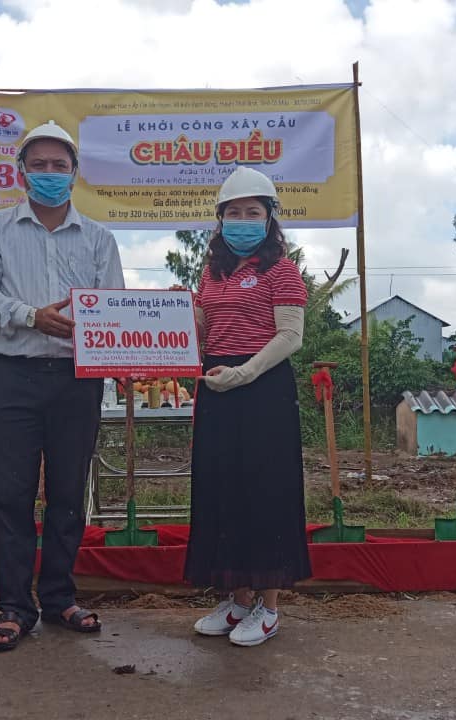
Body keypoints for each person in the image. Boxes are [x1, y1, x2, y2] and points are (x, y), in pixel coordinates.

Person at [0, 120, 125, 652]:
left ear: (75, 173)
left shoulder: (99, 238)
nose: (49, 173)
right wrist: (31, 316)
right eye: (39, 165)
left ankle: (59, 598)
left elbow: (115, 307)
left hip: (78, 381)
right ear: (21, 173)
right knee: (11, 495)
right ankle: (14, 607)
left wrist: (140, 342)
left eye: (59, 165)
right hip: (15, 376)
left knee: (68, 495)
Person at [183, 166, 312, 647]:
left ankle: (269, 608)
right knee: (222, 490)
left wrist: (246, 373)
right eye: (233, 213)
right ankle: (238, 602)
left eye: (252, 212)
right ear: (220, 219)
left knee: (266, 492)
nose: (242, 221)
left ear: (269, 218)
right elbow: (200, 330)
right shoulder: (211, 272)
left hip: (264, 392)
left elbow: (290, 336)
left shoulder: (282, 270)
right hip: (217, 386)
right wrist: (177, 315)